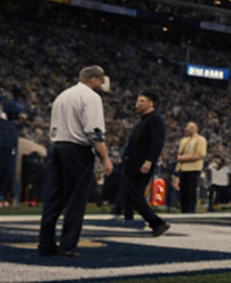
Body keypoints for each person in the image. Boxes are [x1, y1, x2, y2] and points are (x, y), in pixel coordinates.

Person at [38, 66, 113, 258]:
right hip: (76, 149)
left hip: (56, 147)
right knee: (76, 199)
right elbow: (94, 131)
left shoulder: (62, 95)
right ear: (95, 79)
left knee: (53, 197)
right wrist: (105, 158)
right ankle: (67, 245)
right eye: (100, 81)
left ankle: (45, 244)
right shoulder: (91, 97)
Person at [120, 90, 170, 237]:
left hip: (142, 164)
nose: (137, 104)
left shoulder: (155, 120)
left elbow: (157, 143)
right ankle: (150, 221)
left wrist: (149, 161)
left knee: (133, 193)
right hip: (133, 163)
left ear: (150, 103)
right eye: (137, 101)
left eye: (141, 101)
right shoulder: (142, 121)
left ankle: (157, 222)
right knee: (129, 194)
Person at [173, 121, 206, 213]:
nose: (186, 130)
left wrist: (184, 158)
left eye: (188, 128)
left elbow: (200, 155)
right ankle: (184, 210)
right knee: (183, 190)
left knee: (191, 190)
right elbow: (179, 154)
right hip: (183, 168)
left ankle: (191, 210)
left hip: (194, 168)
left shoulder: (200, 140)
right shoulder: (184, 141)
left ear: (194, 129)